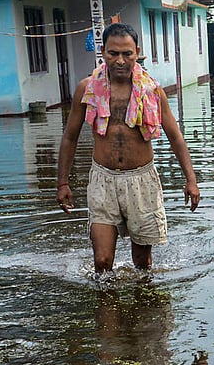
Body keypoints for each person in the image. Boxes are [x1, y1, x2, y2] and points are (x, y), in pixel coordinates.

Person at [57, 22, 200, 273]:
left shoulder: (152, 91)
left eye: (127, 54)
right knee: (102, 262)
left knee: (143, 264)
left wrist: (191, 180)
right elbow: (70, 137)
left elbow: (175, 136)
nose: (120, 61)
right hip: (103, 179)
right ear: (103, 53)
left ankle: (142, 305)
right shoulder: (88, 89)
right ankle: (106, 306)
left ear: (137, 53)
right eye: (113, 54)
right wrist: (62, 183)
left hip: (141, 180)